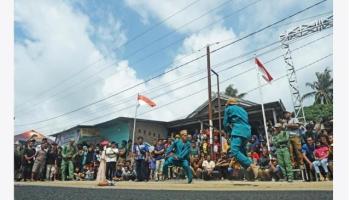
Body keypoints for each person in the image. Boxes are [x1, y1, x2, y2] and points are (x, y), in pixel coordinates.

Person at [223, 98, 255, 175]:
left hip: (238, 131)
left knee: (234, 151)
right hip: (247, 132)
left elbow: (225, 124)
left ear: (229, 104)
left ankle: (252, 165)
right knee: (242, 152)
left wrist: (229, 131)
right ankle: (249, 174)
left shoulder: (228, 109)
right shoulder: (243, 110)